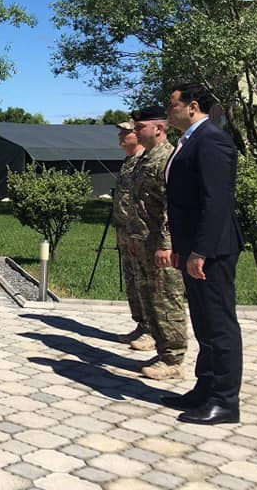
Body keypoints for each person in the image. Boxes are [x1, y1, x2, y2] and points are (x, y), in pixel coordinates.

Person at [163, 83, 244, 424]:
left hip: (211, 250)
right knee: (203, 323)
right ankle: (205, 387)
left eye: (172, 105)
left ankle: (225, 400)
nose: (168, 111)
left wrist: (200, 250)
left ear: (192, 106)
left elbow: (216, 201)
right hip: (194, 248)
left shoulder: (212, 140)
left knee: (219, 325)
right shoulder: (191, 141)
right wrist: (183, 248)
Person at [126, 106, 187, 380]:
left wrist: (166, 243)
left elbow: (170, 206)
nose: (136, 132)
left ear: (158, 129)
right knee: (151, 298)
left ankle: (174, 360)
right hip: (142, 241)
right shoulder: (145, 158)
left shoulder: (168, 159)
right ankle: (163, 350)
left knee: (166, 299)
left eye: (140, 128)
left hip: (160, 244)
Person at [112, 119, 152, 350]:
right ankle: (140, 324)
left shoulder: (144, 162)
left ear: (137, 135)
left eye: (125, 132)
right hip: (125, 232)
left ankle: (151, 330)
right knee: (132, 281)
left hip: (141, 235)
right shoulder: (128, 162)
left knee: (145, 281)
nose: (120, 136)